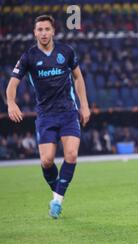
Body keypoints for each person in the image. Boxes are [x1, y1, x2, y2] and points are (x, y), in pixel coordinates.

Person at [6, 15, 90, 218]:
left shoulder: (66, 52)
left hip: (68, 112)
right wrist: (11, 102)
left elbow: (78, 77)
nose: (43, 33)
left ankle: (58, 201)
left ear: (53, 31)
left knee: (71, 155)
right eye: (39, 30)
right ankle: (56, 193)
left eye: (47, 29)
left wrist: (84, 105)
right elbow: (12, 84)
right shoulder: (29, 56)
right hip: (45, 116)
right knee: (47, 160)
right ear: (35, 33)